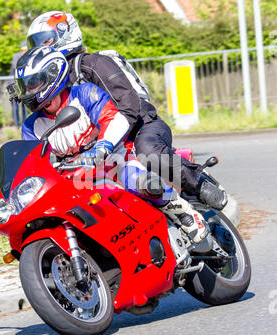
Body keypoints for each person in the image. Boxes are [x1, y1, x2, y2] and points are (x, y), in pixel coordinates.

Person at [25, 11, 228, 211]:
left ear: (65, 34)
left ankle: (199, 183)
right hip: (104, 142)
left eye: (44, 42)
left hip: (140, 125)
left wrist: (107, 140)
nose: (40, 48)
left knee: (149, 153)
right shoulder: (49, 80)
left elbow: (128, 104)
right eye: (35, 44)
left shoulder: (92, 64)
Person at [14, 46, 208, 244]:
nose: (28, 91)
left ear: (52, 75)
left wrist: (103, 146)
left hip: (113, 159)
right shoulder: (31, 126)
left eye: (33, 83)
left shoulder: (84, 94)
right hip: (75, 177)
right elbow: (32, 161)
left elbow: (114, 118)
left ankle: (184, 213)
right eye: (25, 86)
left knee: (140, 181)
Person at [9, 41, 28, 127]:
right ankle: (17, 125)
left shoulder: (27, 57)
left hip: (22, 86)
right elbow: (16, 67)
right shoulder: (16, 56)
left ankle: (24, 123)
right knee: (15, 106)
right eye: (24, 50)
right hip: (13, 85)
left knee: (24, 106)